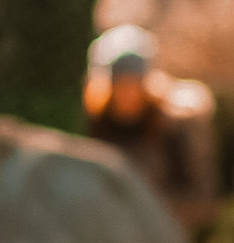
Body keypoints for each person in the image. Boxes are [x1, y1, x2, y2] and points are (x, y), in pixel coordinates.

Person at [81, 24, 221, 232]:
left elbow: (202, 200)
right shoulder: (98, 124)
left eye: (133, 83)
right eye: (120, 84)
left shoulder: (174, 127)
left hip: (165, 236)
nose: (127, 93)